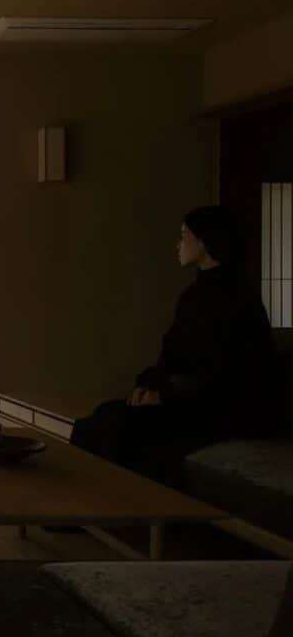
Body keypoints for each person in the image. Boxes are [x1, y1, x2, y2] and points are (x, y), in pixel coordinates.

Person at [70, 205, 282, 486]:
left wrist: (167, 393)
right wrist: (148, 384)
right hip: (187, 397)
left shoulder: (238, 299)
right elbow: (171, 354)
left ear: (204, 241)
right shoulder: (194, 295)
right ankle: (85, 511)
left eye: (184, 236)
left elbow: (229, 373)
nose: (178, 244)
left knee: (117, 424)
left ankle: (122, 513)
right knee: (100, 417)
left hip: (220, 408)